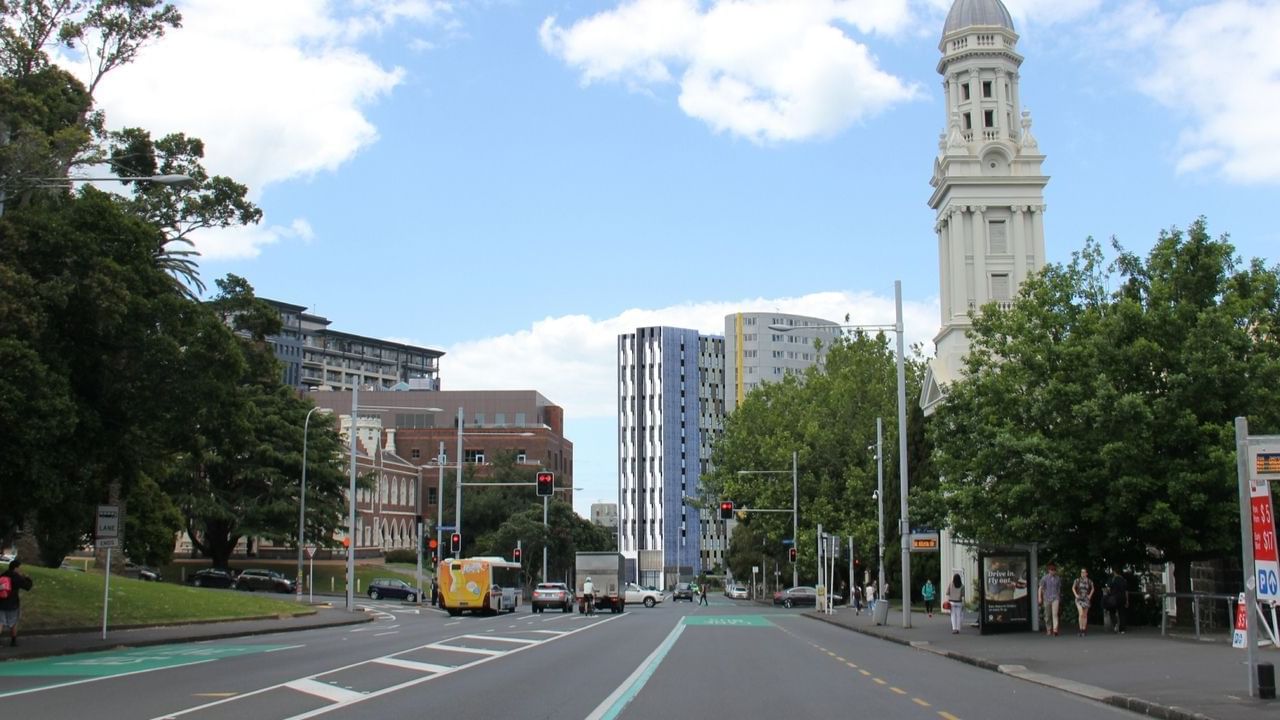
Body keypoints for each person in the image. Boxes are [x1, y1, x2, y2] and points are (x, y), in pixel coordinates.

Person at [1, 558, 35, 647]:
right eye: (20, 568)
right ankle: (13, 641)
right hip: (13, 604)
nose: (21, 569)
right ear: (16, 568)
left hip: (1, 602)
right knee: (14, 622)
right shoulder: (17, 577)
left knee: (0, 622)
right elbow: (28, 587)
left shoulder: (3, 575)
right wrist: (27, 578)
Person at [1038, 563, 1062, 637]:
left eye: (1054, 570)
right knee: (1047, 615)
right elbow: (1040, 588)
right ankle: (1048, 629)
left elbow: (1059, 588)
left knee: (1055, 614)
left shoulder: (1058, 578)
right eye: (1052, 570)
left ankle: (1055, 630)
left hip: (1055, 598)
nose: (1053, 571)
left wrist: (1058, 596)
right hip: (1047, 598)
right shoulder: (1044, 578)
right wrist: (1039, 597)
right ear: (1049, 570)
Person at [1072, 568, 1095, 636]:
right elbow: (1073, 588)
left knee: (1085, 615)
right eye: (1081, 572)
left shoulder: (1089, 581)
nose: (1082, 573)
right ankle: (1080, 629)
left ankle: (1083, 630)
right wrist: (1076, 595)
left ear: (1086, 573)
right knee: (1081, 613)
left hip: (1086, 599)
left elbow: (1093, 589)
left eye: (1084, 572)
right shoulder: (1077, 580)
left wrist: (1090, 595)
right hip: (1079, 599)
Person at [1105, 568, 1128, 634]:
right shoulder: (1124, 580)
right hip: (1122, 598)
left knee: (1112, 611)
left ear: (1114, 572)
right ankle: (1122, 630)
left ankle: (1115, 624)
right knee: (1122, 614)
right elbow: (1126, 591)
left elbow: (1108, 589)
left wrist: (1109, 592)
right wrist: (1127, 600)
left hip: (1114, 598)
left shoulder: (1112, 579)